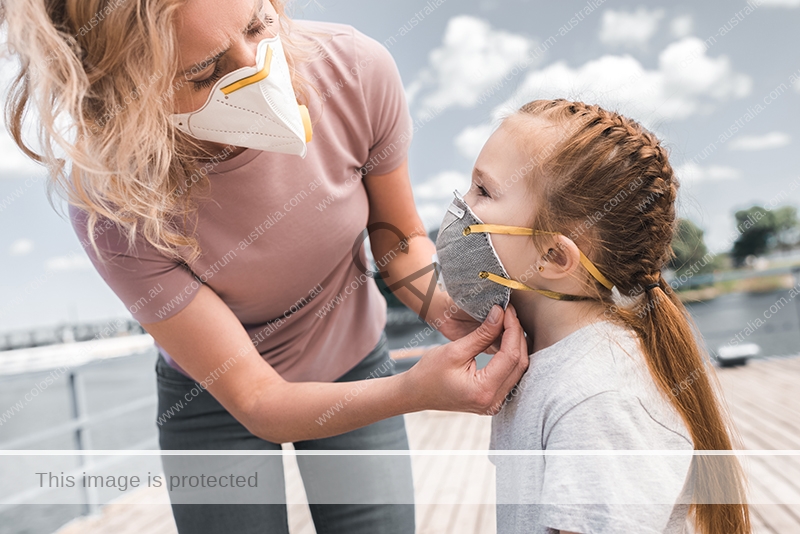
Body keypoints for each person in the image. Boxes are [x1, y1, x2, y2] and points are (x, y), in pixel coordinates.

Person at [0, 1, 530, 533]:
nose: (258, 68)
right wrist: (415, 390)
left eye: (258, 25)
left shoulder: (355, 69)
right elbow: (258, 399)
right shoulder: (111, 202)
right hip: (214, 400)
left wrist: (447, 308)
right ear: (123, 94)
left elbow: (398, 238)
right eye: (204, 72)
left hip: (353, 358)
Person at [433, 99, 750, 534]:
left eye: (483, 191)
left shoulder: (598, 398)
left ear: (553, 255)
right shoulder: (548, 361)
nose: (458, 207)